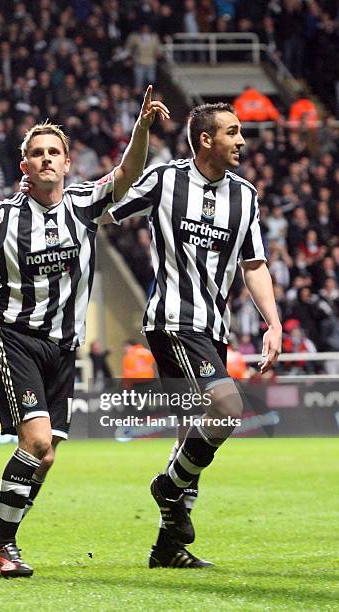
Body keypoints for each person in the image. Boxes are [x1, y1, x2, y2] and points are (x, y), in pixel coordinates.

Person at [0, 85, 169, 578]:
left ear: (66, 163)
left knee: (46, 458)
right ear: (24, 167)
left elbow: (126, 174)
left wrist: (142, 130)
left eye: (53, 152)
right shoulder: (2, 215)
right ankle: (4, 549)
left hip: (64, 346)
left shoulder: (84, 202)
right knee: (36, 441)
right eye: (36, 153)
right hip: (15, 336)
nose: (45, 160)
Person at [108, 102, 282, 569]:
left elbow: (254, 264)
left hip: (214, 326)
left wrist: (274, 321)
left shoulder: (245, 195)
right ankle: (167, 486)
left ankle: (167, 546)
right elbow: (106, 205)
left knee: (193, 432)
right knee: (227, 407)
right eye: (233, 131)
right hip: (171, 322)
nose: (242, 140)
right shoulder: (165, 180)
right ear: (206, 139)